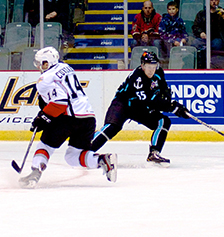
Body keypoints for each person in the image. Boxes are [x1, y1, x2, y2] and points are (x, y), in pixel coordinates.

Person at [19, 47, 117, 188]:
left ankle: (35, 172)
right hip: (88, 118)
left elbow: (60, 102)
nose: (39, 67)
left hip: (68, 118)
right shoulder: (66, 67)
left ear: (47, 63)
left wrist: (43, 118)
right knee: (72, 157)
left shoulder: (44, 79)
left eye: (41, 63)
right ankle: (101, 160)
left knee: (45, 145)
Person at [90, 51, 190, 167]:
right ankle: (86, 147)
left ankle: (154, 153)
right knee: (112, 128)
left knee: (163, 121)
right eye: (148, 67)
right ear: (142, 65)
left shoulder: (158, 73)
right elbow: (150, 100)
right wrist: (172, 108)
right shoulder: (137, 77)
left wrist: (173, 104)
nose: (151, 70)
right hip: (123, 104)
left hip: (140, 108)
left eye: (154, 66)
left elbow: (164, 90)